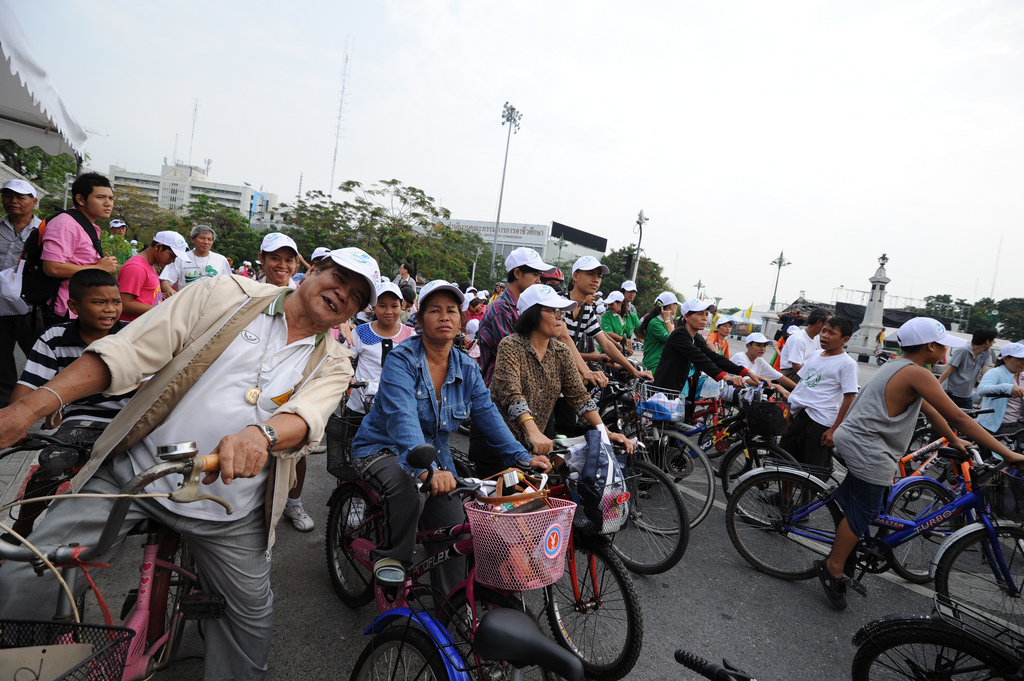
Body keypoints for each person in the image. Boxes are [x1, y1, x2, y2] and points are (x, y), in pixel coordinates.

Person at [0, 247, 379, 680]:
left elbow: (308, 416)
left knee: (250, 624)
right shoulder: (223, 293)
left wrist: (262, 435)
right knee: (30, 573)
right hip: (138, 475)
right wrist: (29, 408)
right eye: (338, 278)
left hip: (229, 510)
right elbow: (128, 351)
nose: (340, 295)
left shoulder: (334, 362)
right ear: (313, 270)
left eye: (354, 295)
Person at [350, 279, 550, 593]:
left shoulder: (467, 369)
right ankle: (392, 559)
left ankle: (451, 607)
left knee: (456, 530)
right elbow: (403, 418)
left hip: (438, 459)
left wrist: (522, 458)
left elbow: (489, 417)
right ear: (418, 320)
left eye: (452, 310)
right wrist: (425, 470)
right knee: (406, 486)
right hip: (381, 449)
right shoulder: (401, 361)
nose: (445, 316)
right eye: (435, 310)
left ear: (460, 320)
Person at [815, 318, 1024, 610]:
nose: (945, 352)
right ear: (930, 346)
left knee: (858, 502)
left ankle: (845, 545)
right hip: (868, 446)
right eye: (942, 346)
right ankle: (833, 568)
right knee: (866, 510)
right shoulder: (917, 372)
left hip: (858, 439)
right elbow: (960, 417)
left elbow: (932, 409)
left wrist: (953, 439)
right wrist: (1010, 454)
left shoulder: (899, 365)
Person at [5, 269, 132, 538]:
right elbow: (29, 384)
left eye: (116, 301)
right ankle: (23, 526)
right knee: (53, 464)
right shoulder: (54, 338)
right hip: (83, 420)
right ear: (73, 306)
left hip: (133, 417)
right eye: (99, 302)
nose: (110, 309)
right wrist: (17, 422)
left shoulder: (133, 336)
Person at [486, 283, 633, 478]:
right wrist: (533, 431)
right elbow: (512, 394)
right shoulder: (511, 346)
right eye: (553, 311)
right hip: (500, 443)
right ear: (532, 314)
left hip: (535, 446)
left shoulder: (561, 352)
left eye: (560, 311)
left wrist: (605, 431)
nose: (559, 317)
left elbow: (579, 396)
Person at [38, 172, 119, 325]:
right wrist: (98, 268)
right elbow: (52, 267)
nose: (108, 203)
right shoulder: (65, 224)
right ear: (81, 199)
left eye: (111, 198)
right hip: (63, 310)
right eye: (100, 197)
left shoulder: (85, 225)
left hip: (79, 309)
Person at [779, 316, 858, 470]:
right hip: (798, 415)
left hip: (819, 422)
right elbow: (803, 385)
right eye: (823, 331)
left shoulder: (848, 364)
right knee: (785, 464)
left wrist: (834, 429)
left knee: (812, 470)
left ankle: (810, 496)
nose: (824, 335)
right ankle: (785, 495)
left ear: (845, 339)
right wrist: (790, 410)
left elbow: (849, 398)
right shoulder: (816, 355)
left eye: (832, 333)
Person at [562, 256, 653, 383]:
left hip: (566, 372)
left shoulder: (587, 310)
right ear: (575, 276)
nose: (596, 279)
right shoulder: (559, 304)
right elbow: (563, 345)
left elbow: (606, 343)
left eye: (599, 276)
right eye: (590, 274)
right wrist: (590, 366)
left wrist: (634, 371)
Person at [653, 298, 763, 397]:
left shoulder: (697, 338)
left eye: (706, 314)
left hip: (684, 392)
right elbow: (700, 358)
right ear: (686, 316)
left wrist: (747, 373)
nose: (705, 318)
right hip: (667, 391)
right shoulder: (679, 334)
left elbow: (714, 357)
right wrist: (726, 377)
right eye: (700, 314)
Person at [343, 281, 416, 428]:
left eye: (394, 306)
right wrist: (347, 377)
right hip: (361, 403)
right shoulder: (360, 332)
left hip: (398, 404)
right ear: (374, 307)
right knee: (355, 443)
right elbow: (345, 358)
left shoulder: (410, 335)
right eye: (382, 306)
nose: (388, 311)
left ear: (402, 307)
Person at [0, 179, 42, 407]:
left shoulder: (44, 230)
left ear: (33, 202)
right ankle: (5, 408)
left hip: (28, 305)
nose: (13, 201)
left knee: (37, 354)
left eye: (20, 197)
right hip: (0, 305)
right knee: (2, 359)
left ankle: (45, 403)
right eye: (8, 196)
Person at [117, 231, 191, 322]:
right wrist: (162, 309)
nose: (172, 261)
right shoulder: (136, 268)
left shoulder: (151, 265)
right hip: (132, 327)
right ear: (158, 247)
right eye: (171, 255)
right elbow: (124, 304)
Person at [159, 224, 233, 297]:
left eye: (209, 239)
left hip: (212, 304)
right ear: (192, 239)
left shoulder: (221, 259)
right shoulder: (181, 258)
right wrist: (169, 290)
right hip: (188, 303)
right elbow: (165, 279)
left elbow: (228, 282)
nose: (206, 242)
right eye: (202, 238)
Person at [936, 328, 997, 409]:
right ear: (987, 341)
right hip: (950, 393)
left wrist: (994, 383)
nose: (992, 343)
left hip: (966, 396)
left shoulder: (986, 353)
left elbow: (985, 371)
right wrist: (936, 385)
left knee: (967, 419)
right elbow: (949, 370)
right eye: (993, 341)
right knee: (944, 419)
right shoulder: (963, 351)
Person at [731, 332, 797, 399]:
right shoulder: (740, 357)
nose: (762, 349)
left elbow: (778, 376)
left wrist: (798, 387)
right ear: (748, 346)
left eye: (764, 346)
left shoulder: (759, 360)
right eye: (758, 345)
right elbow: (746, 380)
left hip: (749, 393)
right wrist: (777, 386)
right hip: (732, 391)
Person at [976, 343, 1024, 435]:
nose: (1023, 362)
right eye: (1019, 359)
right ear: (1005, 359)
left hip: (1016, 425)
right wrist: (1008, 388)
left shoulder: (1022, 375)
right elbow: (982, 389)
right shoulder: (995, 372)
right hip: (993, 426)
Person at [779, 308, 828, 381]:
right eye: (828, 323)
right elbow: (796, 367)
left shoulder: (816, 338)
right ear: (819, 323)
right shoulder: (798, 339)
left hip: (807, 370)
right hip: (792, 374)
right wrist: (815, 377)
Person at [635, 292, 678, 375]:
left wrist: (667, 321)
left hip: (662, 365)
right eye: (676, 305)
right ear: (671, 305)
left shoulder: (663, 322)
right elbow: (675, 340)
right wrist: (667, 321)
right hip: (654, 366)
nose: (676, 308)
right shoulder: (655, 323)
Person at [619, 280, 641, 345]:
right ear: (623, 292)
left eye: (634, 292)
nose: (632, 294)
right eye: (629, 291)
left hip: (626, 344)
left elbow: (637, 330)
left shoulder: (632, 308)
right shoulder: (616, 305)